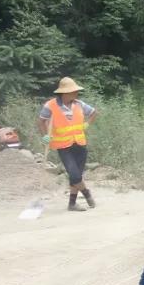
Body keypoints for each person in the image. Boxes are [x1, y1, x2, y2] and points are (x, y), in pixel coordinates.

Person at [38, 77, 98, 211]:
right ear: (64, 93)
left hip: (80, 144)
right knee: (75, 175)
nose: (76, 93)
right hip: (63, 146)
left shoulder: (79, 104)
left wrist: (87, 123)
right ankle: (87, 194)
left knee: (76, 176)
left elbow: (94, 113)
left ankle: (72, 204)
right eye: (73, 91)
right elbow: (41, 121)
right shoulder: (50, 105)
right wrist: (45, 136)